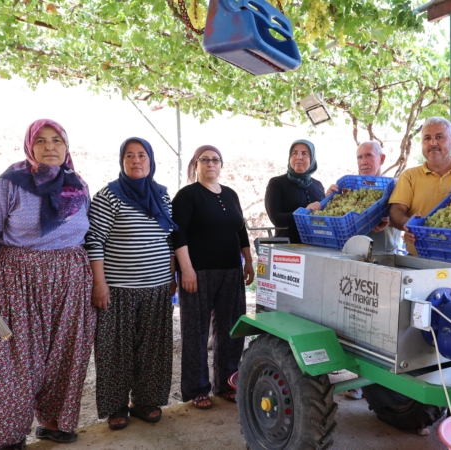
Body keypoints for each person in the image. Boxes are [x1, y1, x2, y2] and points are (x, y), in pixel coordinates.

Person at [0, 119, 95, 449]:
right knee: (14, 361)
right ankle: (5, 437)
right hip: (19, 281)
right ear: (30, 146)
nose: (50, 147)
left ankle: (53, 422)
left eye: (57, 140)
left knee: (66, 356)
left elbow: (88, 234)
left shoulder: (77, 185)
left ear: (66, 146)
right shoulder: (10, 183)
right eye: (41, 141)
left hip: (70, 281)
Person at [85, 138, 177, 430]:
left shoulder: (162, 196)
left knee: (154, 347)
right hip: (118, 289)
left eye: (141, 156)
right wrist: (99, 283)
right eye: (129, 156)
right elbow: (94, 240)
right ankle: (116, 406)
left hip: (158, 286)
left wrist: (173, 274)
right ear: (122, 161)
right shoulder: (108, 196)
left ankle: (145, 401)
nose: (136, 161)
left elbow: (170, 239)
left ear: (150, 161)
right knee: (115, 350)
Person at [172, 145, 255, 410]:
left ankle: (226, 383)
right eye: (204, 160)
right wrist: (186, 269)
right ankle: (198, 389)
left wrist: (249, 261)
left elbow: (240, 231)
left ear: (221, 165)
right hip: (198, 273)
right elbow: (178, 235)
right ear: (195, 165)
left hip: (231, 271)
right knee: (195, 332)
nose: (210, 164)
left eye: (215, 160)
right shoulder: (187, 196)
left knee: (231, 329)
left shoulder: (230, 194)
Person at [326, 141, 402, 399]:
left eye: (369, 155)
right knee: (356, 320)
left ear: (382, 158)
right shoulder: (350, 188)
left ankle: (378, 383)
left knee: (382, 324)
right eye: (359, 156)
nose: (364, 161)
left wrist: (389, 218)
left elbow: (405, 215)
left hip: (384, 262)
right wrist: (330, 197)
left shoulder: (394, 188)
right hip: (355, 261)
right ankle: (357, 380)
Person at [389, 117, 451, 256]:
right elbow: (396, 210)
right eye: (427, 138)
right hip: (417, 260)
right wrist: (407, 223)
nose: (433, 143)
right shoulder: (409, 176)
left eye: (439, 137)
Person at [265, 139, 325, 243]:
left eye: (304, 153)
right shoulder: (277, 183)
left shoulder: (318, 185)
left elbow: (324, 216)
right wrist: (303, 212)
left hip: (317, 246)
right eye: (294, 153)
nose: (299, 157)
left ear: (312, 159)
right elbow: (276, 218)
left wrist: (331, 198)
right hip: (287, 251)